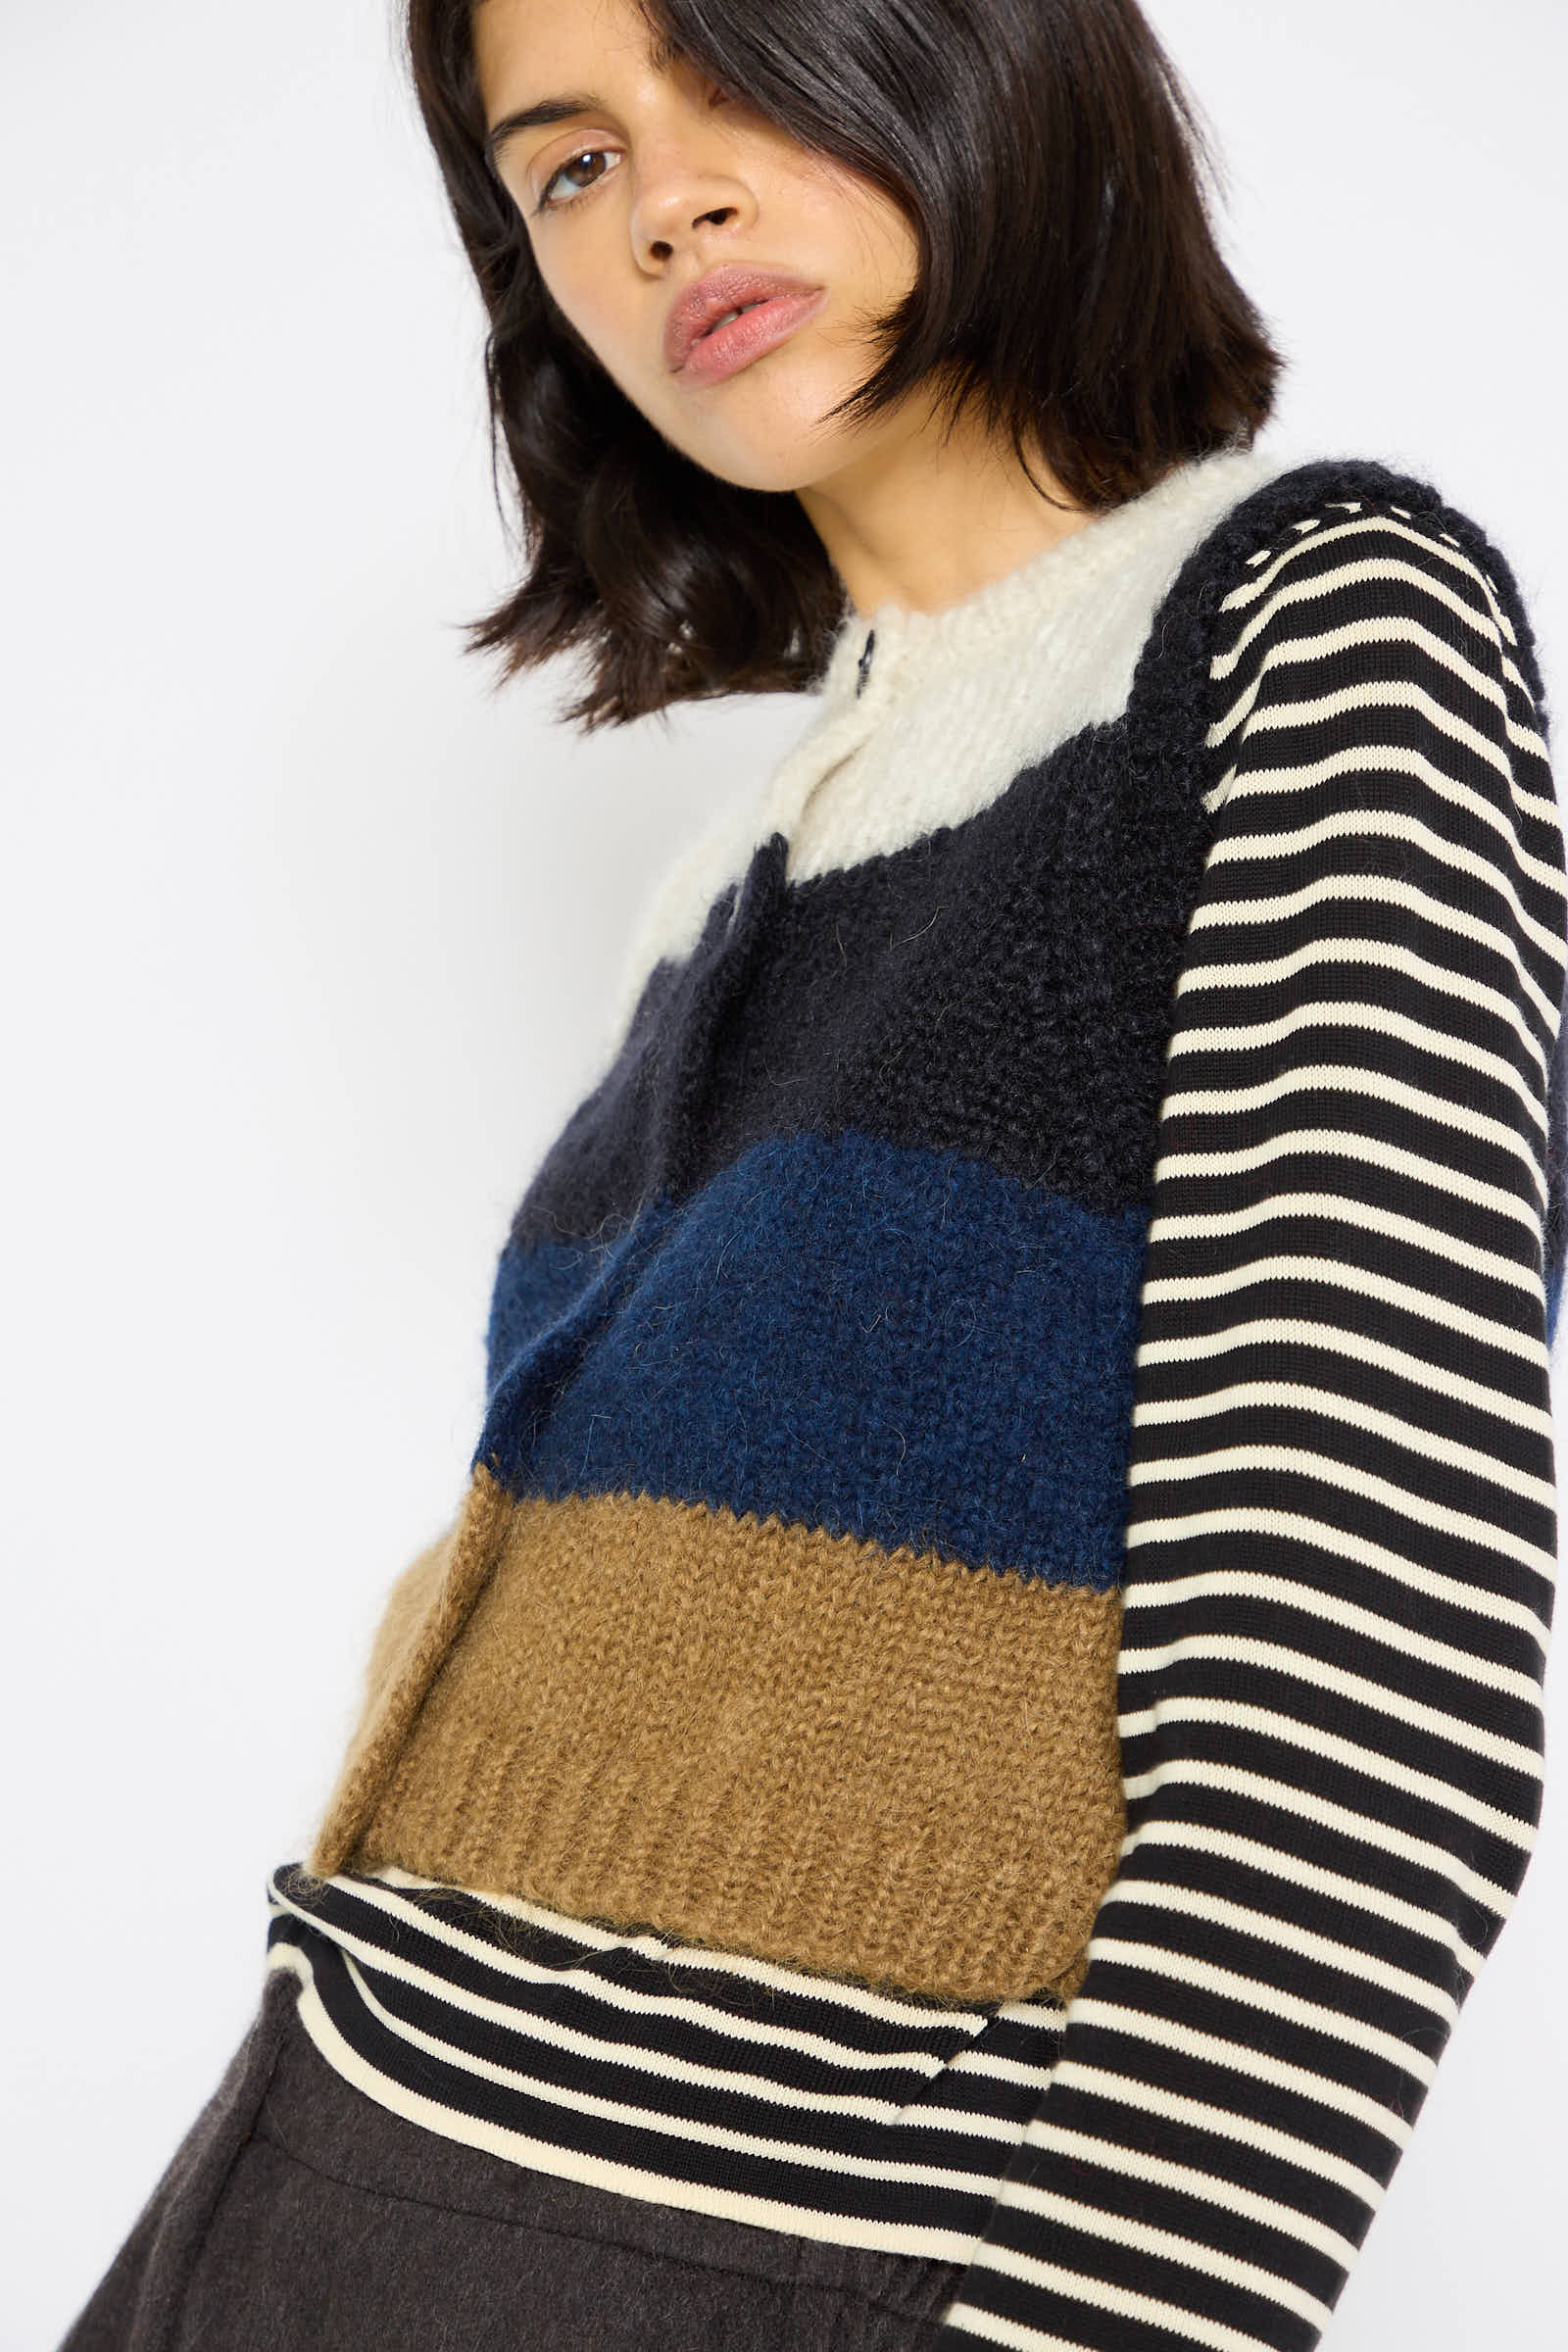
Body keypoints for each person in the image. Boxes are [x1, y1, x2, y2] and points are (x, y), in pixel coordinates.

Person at [60, 0, 1566, 2346]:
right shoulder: (741, 859)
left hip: (764, 2251)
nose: (663, 200)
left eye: (735, 70)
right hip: (314, 2153)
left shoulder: (1304, 628)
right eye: (564, 168)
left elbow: (1366, 1676)